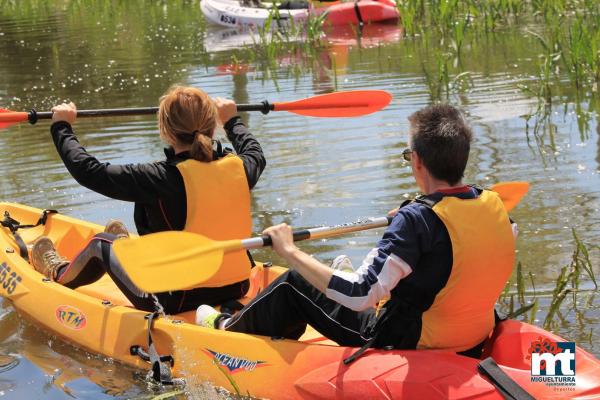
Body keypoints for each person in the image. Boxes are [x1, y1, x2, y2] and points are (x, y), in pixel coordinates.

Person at [197, 104, 516, 358]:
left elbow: (359, 295)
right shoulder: (493, 205)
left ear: (416, 161)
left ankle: (225, 327)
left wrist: (288, 250)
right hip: (473, 336)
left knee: (294, 282)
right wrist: (414, 209)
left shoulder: (417, 222)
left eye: (408, 155)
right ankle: (338, 271)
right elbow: (459, 250)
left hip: (410, 342)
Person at [31, 86, 266, 314]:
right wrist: (233, 121)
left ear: (166, 131)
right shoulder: (241, 169)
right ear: (213, 127)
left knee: (101, 245)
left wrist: (61, 125)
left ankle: (58, 272)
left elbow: (88, 171)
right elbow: (255, 151)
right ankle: (126, 249)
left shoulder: (159, 178)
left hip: (171, 300)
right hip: (237, 286)